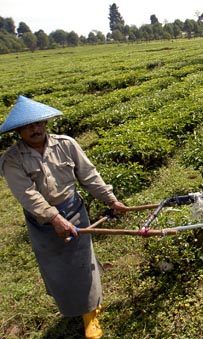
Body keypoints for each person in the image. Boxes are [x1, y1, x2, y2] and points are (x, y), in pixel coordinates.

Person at [0, 95, 129, 339]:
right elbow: (27, 195)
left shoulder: (66, 144)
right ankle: (76, 304)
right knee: (57, 267)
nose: (35, 129)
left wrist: (110, 199)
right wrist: (53, 218)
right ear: (18, 130)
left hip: (73, 209)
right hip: (42, 221)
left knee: (82, 261)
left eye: (39, 123)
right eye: (28, 125)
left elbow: (89, 175)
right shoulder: (12, 160)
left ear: (46, 124)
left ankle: (90, 314)